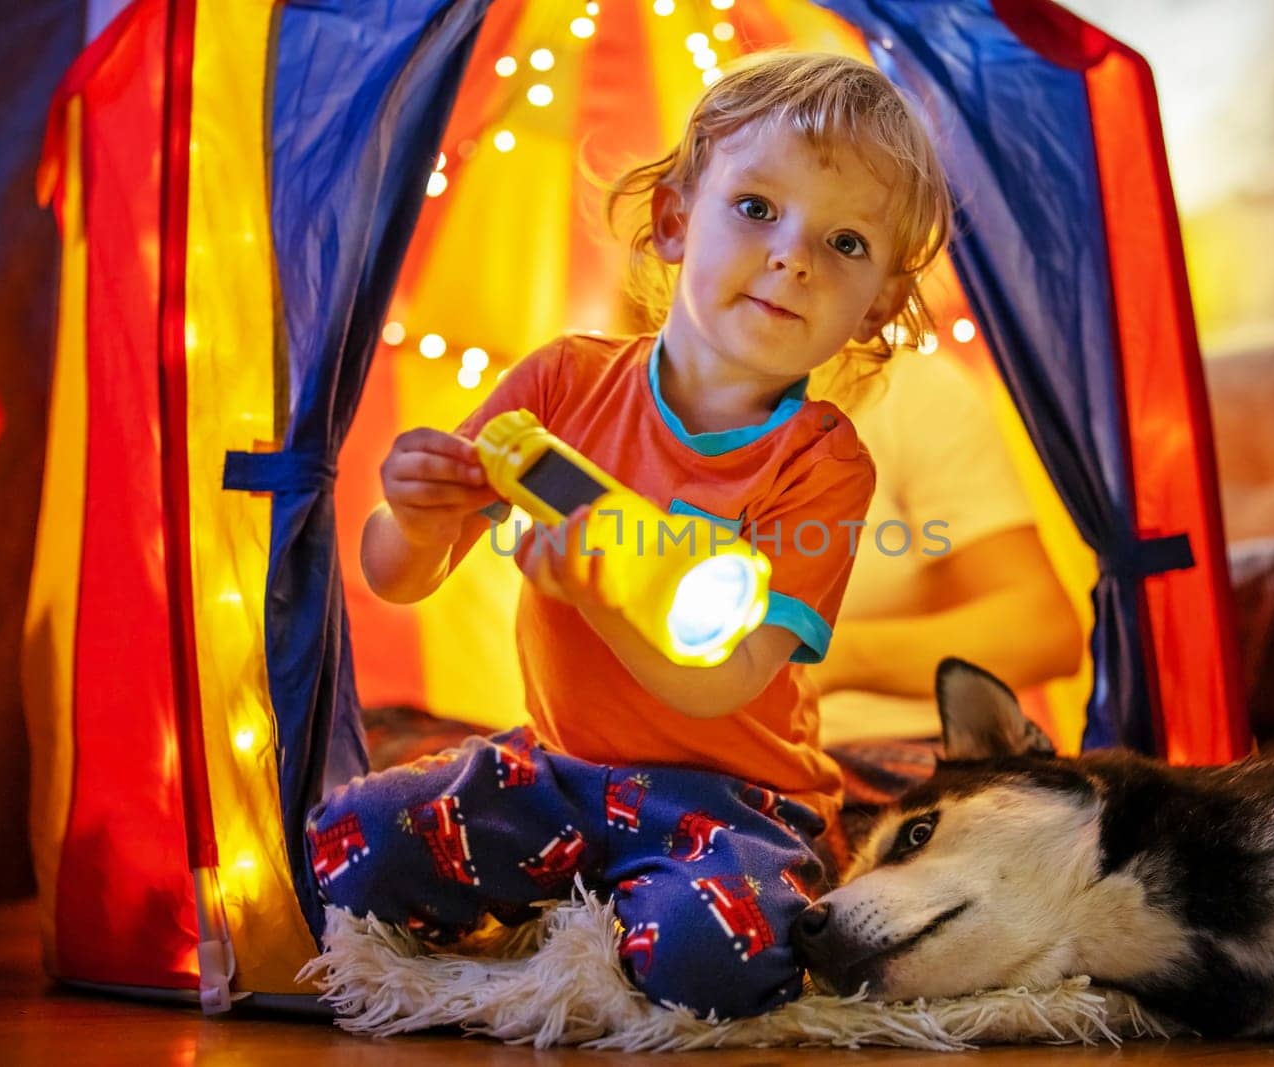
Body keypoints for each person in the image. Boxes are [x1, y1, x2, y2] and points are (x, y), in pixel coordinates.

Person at [306, 52, 952, 1020]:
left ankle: (635, 905)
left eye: (847, 241)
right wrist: (418, 512)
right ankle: (589, 896)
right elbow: (393, 574)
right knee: (347, 845)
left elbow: (729, 680)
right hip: (557, 770)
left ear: (879, 310)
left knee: (714, 963)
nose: (793, 256)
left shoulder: (821, 464)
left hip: (734, 795)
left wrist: (607, 605)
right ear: (674, 220)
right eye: (757, 207)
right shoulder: (563, 384)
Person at [806, 347, 1083, 748]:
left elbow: (1043, 630)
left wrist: (830, 657)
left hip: (890, 747)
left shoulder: (904, 392)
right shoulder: (685, 415)